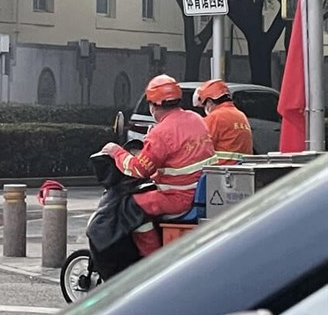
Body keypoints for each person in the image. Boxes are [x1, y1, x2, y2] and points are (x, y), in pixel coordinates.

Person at [100, 75, 216, 256]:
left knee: (131, 207)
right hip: (199, 193)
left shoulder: (161, 132)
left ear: (153, 106)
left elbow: (139, 169)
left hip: (178, 198)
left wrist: (116, 152)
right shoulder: (196, 119)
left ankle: (151, 260)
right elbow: (180, 159)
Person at [193, 79, 253, 164]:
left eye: (204, 105)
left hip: (221, 171)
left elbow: (201, 148)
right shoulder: (240, 115)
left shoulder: (215, 117)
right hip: (240, 170)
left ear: (210, 102)